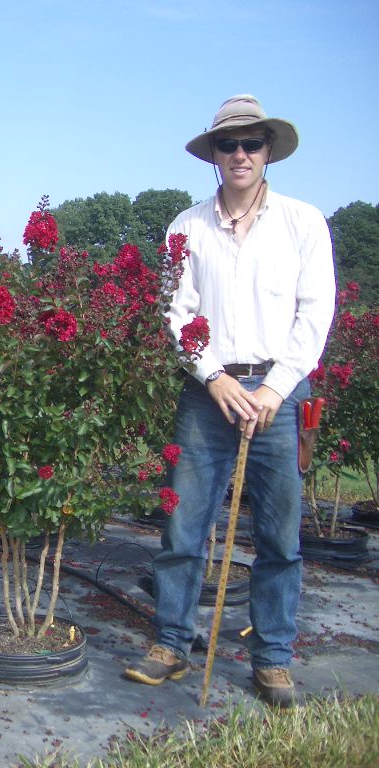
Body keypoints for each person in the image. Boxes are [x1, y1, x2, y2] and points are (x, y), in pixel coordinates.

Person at [124, 95, 336, 707]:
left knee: (279, 534)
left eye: (252, 143)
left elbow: (315, 312)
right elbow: (175, 311)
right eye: (228, 145)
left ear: (269, 152)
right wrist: (214, 376)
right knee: (184, 525)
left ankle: (272, 658)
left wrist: (275, 387)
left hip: (280, 393)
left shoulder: (303, 222)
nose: (240, 154)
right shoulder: (185, 228)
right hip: (206, 393)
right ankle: (171, 644)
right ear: (212, 156)